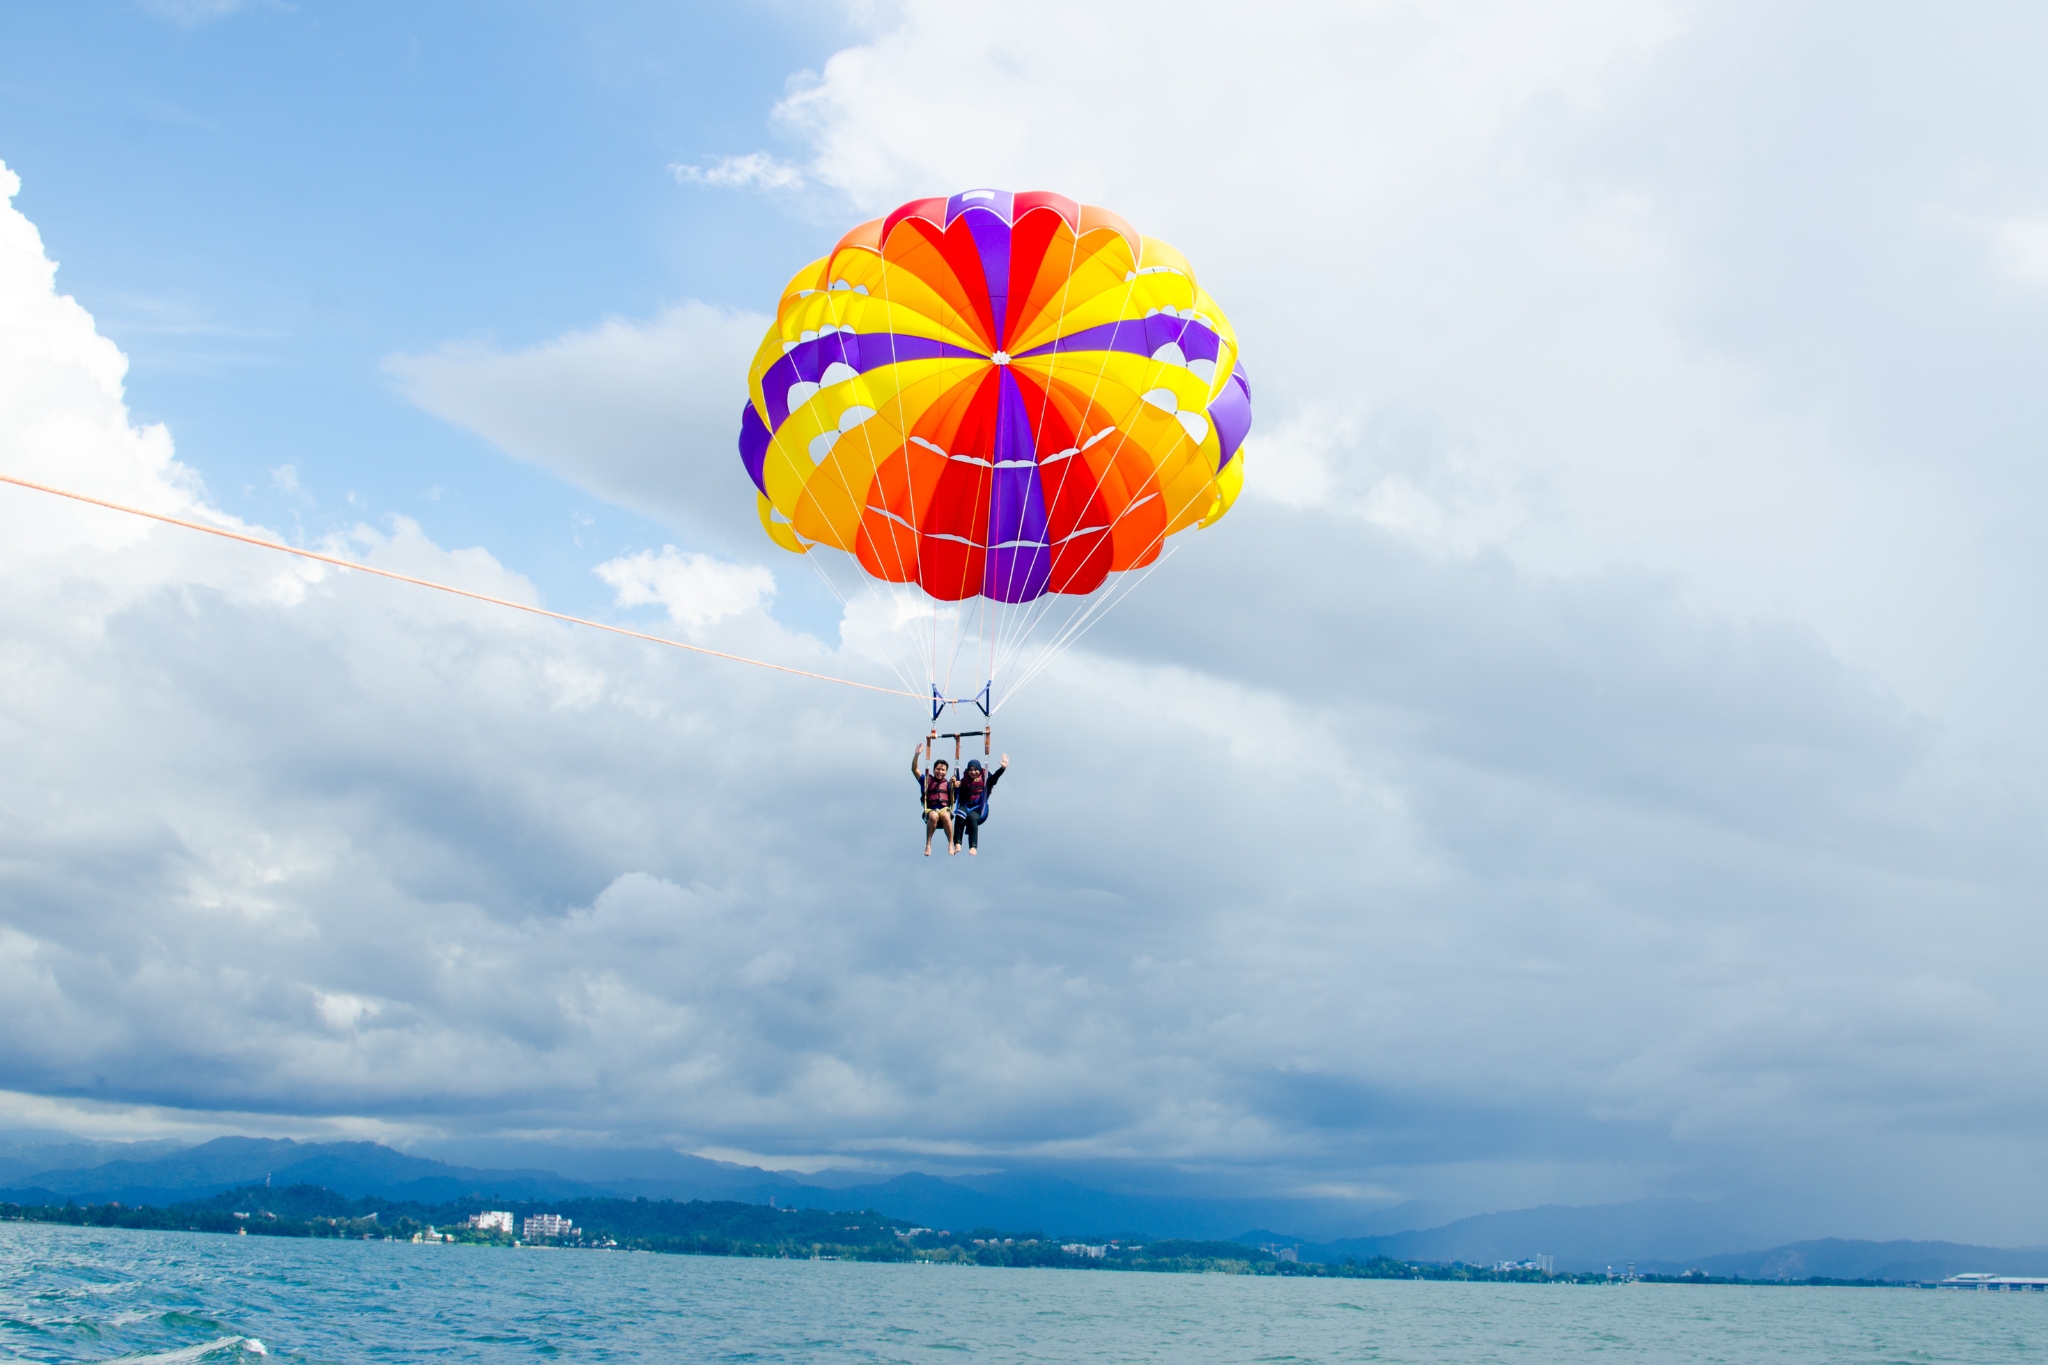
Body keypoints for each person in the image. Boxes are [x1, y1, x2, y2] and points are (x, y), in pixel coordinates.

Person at [949, 754, 1009, 856]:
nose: (973, 772)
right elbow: (954, 795)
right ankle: (957, 843)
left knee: (972, 817)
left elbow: (994, 778)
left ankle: (973, 846)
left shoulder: (985, 779)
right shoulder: (963, 780)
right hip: (965, 805)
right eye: (970, 770)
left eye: (975, 769)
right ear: (967, 771)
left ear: (979, 770)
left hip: (979, 809)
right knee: (959, 814)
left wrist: (1002, 768)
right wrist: (954, 785)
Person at [911, 744, 956, 857]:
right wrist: (917, 755)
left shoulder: (949, 783)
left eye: (943, 770)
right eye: (938, 769)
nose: (940, 772)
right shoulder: (926, 780)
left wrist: (956, 783)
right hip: (931, 809)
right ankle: (928, 843)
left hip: (945, 809)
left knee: (946, 816)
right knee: (933, 816)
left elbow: (959, 790)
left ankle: (951, 843)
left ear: (946, 771)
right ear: (933, 769)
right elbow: (914, 769)